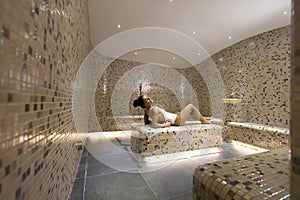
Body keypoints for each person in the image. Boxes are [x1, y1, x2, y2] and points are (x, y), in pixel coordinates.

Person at [133, 95, 211, 128]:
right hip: (177, 121)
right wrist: (165, 125)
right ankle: (204, 120)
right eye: (147, 99)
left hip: (175, 118)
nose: (149, 98)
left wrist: (160, 121)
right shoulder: (154, 109)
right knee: (190, 107)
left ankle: (203, 118)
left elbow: (147, 122)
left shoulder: (146, 111)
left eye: (148, 97)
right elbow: (154, 125)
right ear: (144, 104)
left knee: (189, 113)